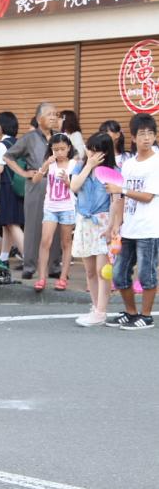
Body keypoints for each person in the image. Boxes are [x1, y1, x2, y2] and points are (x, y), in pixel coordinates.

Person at [104, 114, 159, 330]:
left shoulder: (156, 162)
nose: (147, 138)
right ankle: (131, 312)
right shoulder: (127, 165)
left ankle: (146, 316)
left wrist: (122, 190)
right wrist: (115, 224)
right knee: (119, 273)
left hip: (150, 228)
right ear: (133, 138)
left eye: (151, 133)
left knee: (147, 274)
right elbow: (119, 199)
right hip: (129, 228)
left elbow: (147, 196)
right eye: (142, 133)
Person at [4, 102, 61, 279]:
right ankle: (29, 266)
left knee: (56, 226)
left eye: (55, 114)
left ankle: (53, 266)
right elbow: (8, 157)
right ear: (39, 119)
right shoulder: (29, 138)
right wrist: (23, 172)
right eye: (49, 114)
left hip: (56, 184)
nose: (53, 117)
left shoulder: (58, 137)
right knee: (33, 226)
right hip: (36, 184)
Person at [70, 132, 116, 327]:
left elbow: (115, 201)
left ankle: (101, 311)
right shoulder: (81, 166)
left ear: (105, 153)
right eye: (90, 149)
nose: (92, 153)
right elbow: (73, 186)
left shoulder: (113, 171)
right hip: (84, 222)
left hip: (103, 222)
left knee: (102, 270)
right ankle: (96, 307)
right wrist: (89, 165)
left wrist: (112, 227)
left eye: (96, 151)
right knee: (89, 271)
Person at [31, 133, 76, 292]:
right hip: (50, 207)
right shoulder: (50, 164)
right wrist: (44, 166)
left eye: (63, 149)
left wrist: (67, 181)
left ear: (69, 148)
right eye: (56, 149)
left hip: (68, 207)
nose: (59, 153)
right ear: (51, 149)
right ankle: (41, 278)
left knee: (66, 243)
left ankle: (63, 278)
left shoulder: (74, 164)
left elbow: (77, 187)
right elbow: (35, 181)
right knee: (45, 242)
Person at [0, 111, 24, 265]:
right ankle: (4, 257)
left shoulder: (1, 145)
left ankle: (28, 258)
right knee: (7, 223)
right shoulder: (19, 142)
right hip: (19, 186)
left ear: (1, 127)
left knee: (12, 223)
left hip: (7, 186)